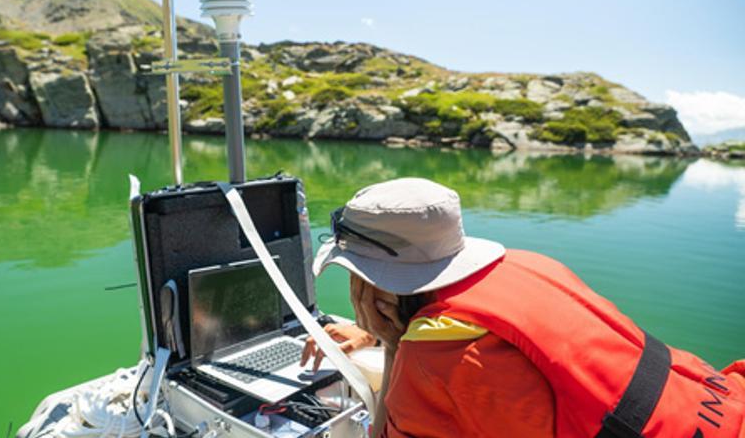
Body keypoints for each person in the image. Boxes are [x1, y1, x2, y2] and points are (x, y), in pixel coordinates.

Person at [300, 178, 745, 438]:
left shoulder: (434, 359)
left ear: (372, 280)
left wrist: (396, 344)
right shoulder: (530, 266)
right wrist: (373, 333)